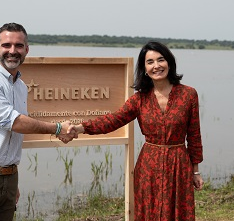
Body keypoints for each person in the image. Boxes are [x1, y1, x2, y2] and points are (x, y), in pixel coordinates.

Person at [0, 22, 75, 220]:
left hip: (8, 178)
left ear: (27, 49)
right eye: (7, 45)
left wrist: (9, 181)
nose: (12, 51)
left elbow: (12, 136)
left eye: (18, 46)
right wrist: (58, 128)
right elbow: (14, 122)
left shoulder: (21, 87)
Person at [69, 41, 204, 220]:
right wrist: (80, 128)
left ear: (169, 63)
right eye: (150, 62)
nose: (156, 66)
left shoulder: (188, 95)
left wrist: (195, 171)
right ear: (144, 69)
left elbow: (194, 135)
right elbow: (113, 120)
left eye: (160, 60)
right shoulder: (139, 99)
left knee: (178, 213)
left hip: (179, 165)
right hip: (149, 167)